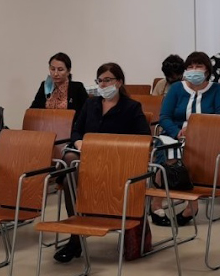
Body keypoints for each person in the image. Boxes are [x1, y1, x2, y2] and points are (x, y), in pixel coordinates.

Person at [55, 62, 152, 263]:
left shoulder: (131, 107)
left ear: (119, 82)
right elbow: (76, 130)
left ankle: (77, 237)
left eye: (107, 80)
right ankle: (76, 236)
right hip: (89, 159)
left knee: (71, 171)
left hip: (117, 163)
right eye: (99, 81)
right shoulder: (91, 104)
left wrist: (116, 148)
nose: (103, 84)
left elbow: (143, 138)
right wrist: (79, 142)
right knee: (70, 166)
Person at [153, 52, 220, 226]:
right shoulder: (177, 88)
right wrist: (178, 132)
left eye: (198, 66)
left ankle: (191, 205)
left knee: (186, 155)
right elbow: (164, 117)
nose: (194, 70)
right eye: (190, 67)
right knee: (168, 154)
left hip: (205, 136)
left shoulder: (217, 89)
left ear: (207, 70)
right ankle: (157, 203)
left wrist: (196, 129)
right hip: (174, 134)